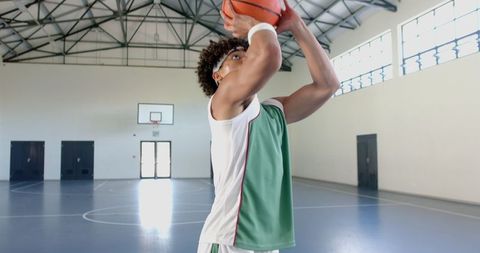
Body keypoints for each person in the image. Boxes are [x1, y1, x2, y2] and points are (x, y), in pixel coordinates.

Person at [195, 0, 340, 252]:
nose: (246, 59)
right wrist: (255, 24)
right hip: (230, 239)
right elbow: (269, 56)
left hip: (265, 242)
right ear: (218, 76)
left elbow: (327, 85)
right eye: (236, 56)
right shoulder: (223, 101)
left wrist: (298, 26)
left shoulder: (273, 113)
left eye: (247, 54)